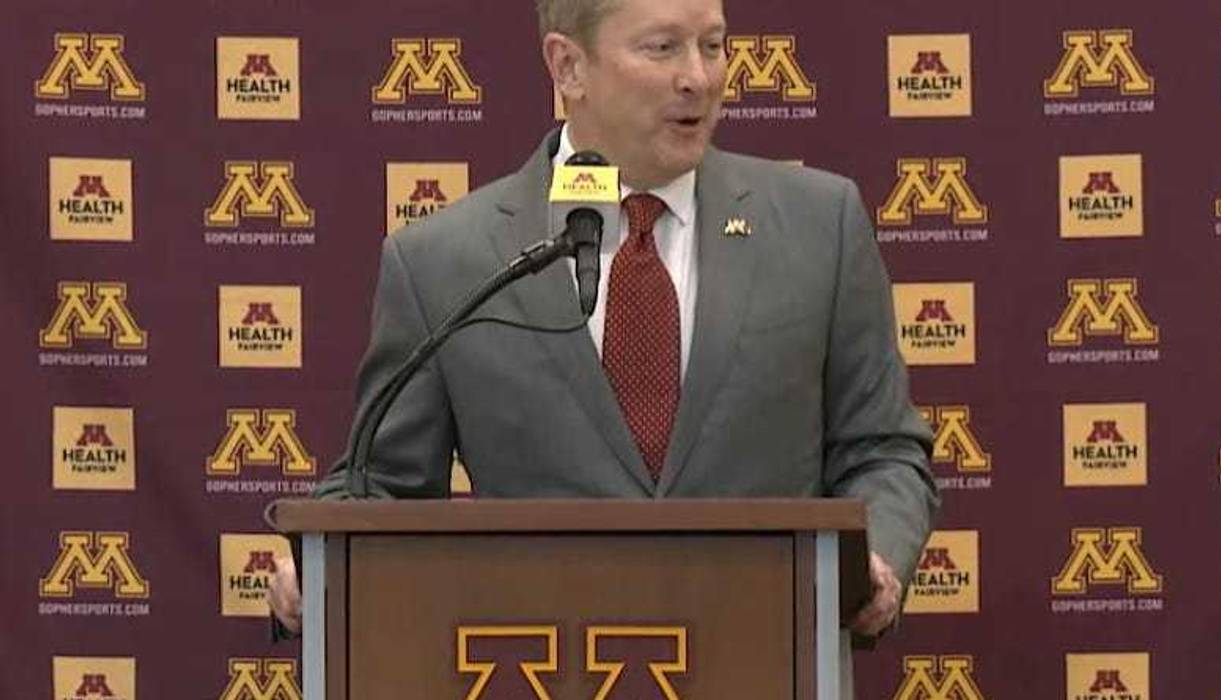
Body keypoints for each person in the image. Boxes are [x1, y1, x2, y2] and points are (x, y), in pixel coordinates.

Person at [270, 0, 938, 640]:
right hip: (540, 666)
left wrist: (875, 559)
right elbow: (383, 484)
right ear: (568, 67)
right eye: (662, 48)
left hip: (767, 655)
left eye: (712, 45)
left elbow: (881, 450)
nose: (698, 78)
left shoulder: (820, 225)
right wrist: (320, 562)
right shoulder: (446, 261)